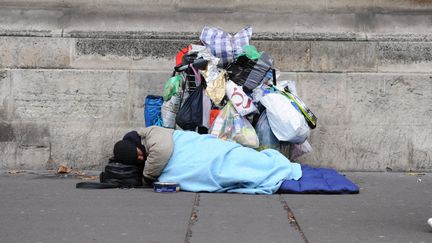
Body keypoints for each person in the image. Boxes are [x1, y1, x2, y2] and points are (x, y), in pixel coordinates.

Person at [113, 126, 302, 194]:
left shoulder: (151, 135)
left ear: (137, 144)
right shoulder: (144, 153)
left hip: (203, 149)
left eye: (138, 153)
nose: (140, 157)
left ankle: (270, 166)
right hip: (198, 161)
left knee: (234, 158)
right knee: (224, 171)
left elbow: (162, 152)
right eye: (137, 159)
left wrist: (147, 176)